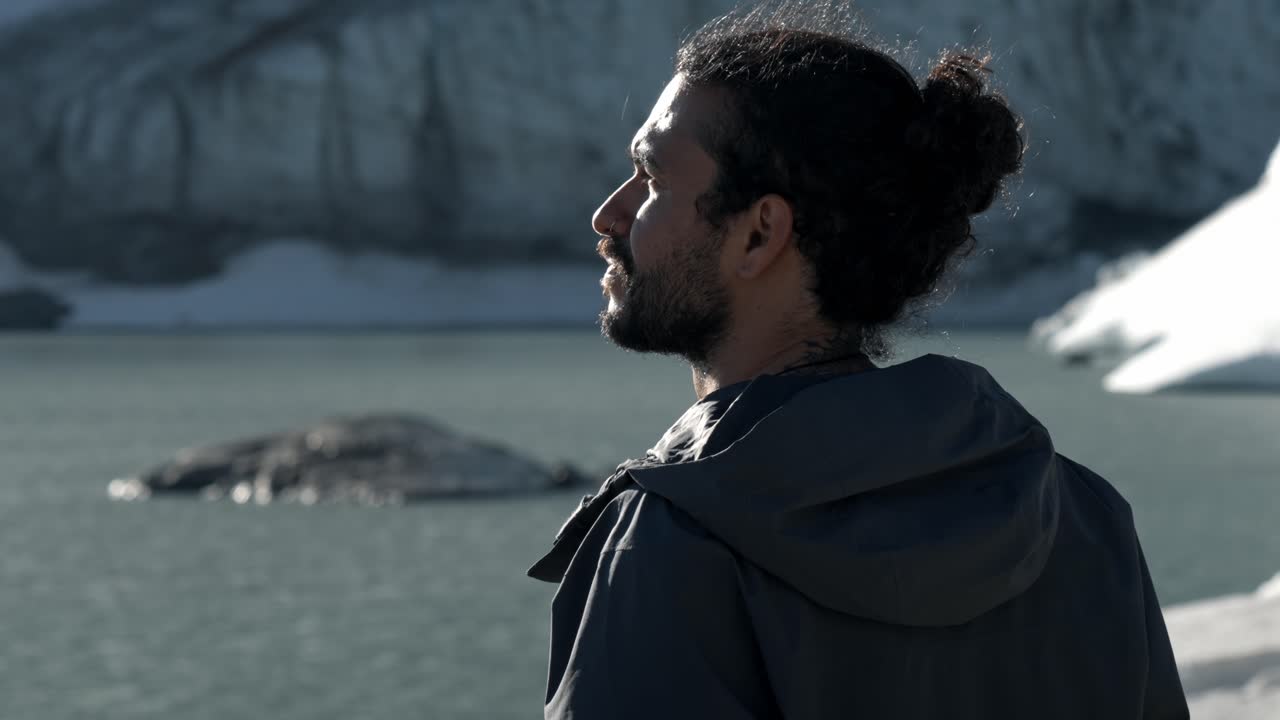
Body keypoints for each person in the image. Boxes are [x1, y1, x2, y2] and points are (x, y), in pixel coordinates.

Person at [527, 3, 1189, 718]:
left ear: (759, 235)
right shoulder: (1081, 518)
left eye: (651, 177)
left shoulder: (673, 541)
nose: (608, 214)